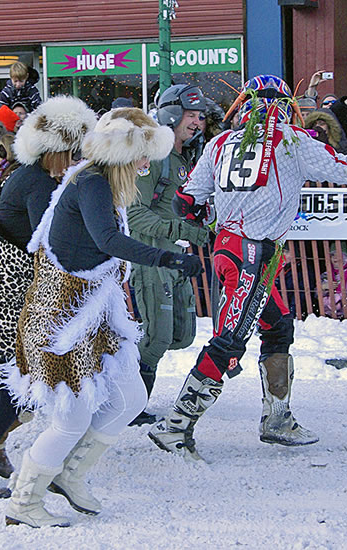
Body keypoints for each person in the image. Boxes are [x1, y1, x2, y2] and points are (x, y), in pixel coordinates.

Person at [148, 74, 347, 461]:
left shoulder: (219, 143)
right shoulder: (292, 140)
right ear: (285, 107)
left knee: (278, 326)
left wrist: (212, 215)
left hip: (231, 249)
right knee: (229, 342)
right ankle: (176, 425)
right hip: (252, 255)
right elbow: (346, 168)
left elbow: (185, 202)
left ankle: (277, 419)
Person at [2, 107, 201, 528]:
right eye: (143, 153)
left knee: (131, 399)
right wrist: (167, 257)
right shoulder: (90, 182)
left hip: (97, 315)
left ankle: (69, 475)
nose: (147, 163)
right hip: (61, 319)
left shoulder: (103, 183)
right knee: (70, 420)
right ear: (122, 152)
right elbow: (108, 241)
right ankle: (23, 502)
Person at [0, 96, 98, 501]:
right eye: (74, 152)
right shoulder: (36, 183)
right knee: (20, 389)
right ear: (54, 149)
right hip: (1, 301)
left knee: (23, 389)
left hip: (8, 296)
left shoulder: (31, 176)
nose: (78, 161)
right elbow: (51, 245)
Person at [126, 84, 211, 426]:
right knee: (156, 336)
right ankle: (130, 405)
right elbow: (134, 213)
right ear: (172, 114)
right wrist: (181, 230)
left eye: (200, 117)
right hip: (151, 258)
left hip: (176, 259)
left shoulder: (183, 158)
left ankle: (125, 381)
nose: (197, 123)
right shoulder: (154, 159)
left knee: (182, 334)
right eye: (191, 115)